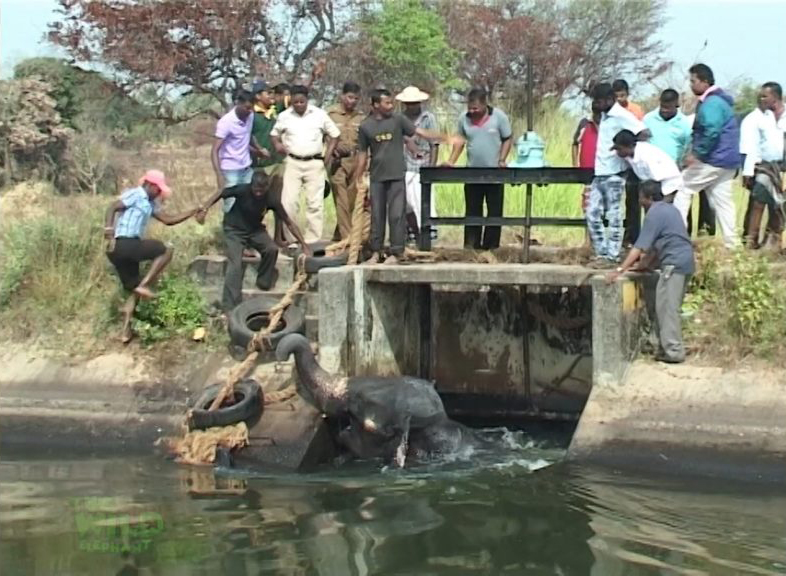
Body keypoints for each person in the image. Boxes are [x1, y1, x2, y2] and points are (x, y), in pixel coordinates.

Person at [356, 88, 456, 264]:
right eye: (386, 103)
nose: (391, 106)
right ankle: (376, 251)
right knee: (377, 216)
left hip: (396, 175)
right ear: (376, 105)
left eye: (391, 102)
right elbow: (363, 154)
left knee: (397, 215)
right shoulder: (365, 126)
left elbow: (417, 134)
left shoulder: (398, 120)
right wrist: (358, 177)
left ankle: (397, 252)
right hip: (377, 176)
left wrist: (445, 137)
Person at [195, 171, 311, 312]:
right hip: (234, 229)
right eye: (256, 189)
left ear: (267, 187)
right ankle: (230, 305)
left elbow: (289, 222)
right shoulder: (242, 190)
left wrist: (304, 244)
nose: (258, 193)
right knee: (235, 264)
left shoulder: (271, 199)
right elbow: (222, 192)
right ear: (251, 185)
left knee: (271, 249)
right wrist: (204, 208)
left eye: (261, 190)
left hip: (255, 230)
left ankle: (263, 282)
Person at [606, 180, 695, 364]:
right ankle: (662, 347)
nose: (639, 201)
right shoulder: (671, 210)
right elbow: (656, 248)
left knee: (667, 309)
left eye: (640, 197)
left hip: (674, 265)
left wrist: (619, 270)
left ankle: (673, 352)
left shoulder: (654, 214)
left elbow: (639, 247)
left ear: (647, 198)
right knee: (666, 306)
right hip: (685, 262)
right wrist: (643, 266)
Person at [104, 170, 198, 343]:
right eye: (158, 190)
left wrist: (192, 212)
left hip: (126, 250)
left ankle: (126, 331)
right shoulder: (136, 194)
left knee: (134, 289)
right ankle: (145, 286)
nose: (159, 194)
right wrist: (109, 234)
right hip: (123, 243)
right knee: (166, 250)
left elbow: (168, 220)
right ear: (150, 185)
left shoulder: (150, 203)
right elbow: (113, 207)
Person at [673, 64, 741, 249]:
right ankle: (732, 245)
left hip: (714, 159)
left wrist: (696, 154)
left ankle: (677, 239)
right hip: (728, 160)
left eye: (693, 81)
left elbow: (711, 131)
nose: (691, 85)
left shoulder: (712, 103)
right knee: (723, 201)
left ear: (704, 81)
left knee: (682, 188)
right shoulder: (720, 101)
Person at [585, 82, 648, 268]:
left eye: (600, 100)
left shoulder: (621, 115)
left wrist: (627, 150)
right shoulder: (604, 115)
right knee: (592, 213)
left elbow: (643, 132)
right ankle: (601, 253)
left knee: (614, 216)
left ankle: (612, 255)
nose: (597, 103)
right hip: (600, 172)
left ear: (610, 99)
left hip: (615, 173)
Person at [444, 87, 512, 250]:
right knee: (473, 210)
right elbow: (460, 141)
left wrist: (502, 159)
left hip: (494, 172)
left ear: (484, 105)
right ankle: (471, 246)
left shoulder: (499, 117)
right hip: (472, 172)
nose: (472, 111)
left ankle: (491, 247)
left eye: (476, 108)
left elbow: (507, 138)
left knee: (494, 211)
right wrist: (451, 161)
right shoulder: (464, 119)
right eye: (470, 108)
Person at [271, 84, 340, 244]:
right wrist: (277, 145)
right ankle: (292, 240)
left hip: (315, 162)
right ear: (291, 101)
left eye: (302, 102)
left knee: (315, 203)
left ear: (307, 100)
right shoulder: (285, 116)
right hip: (293, 162)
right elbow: (274, 135)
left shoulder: (319, 114)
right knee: (289, 203)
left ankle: (312, 240)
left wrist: (327, 156)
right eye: (295, 102)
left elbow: (335, 135)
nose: (299, 105)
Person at [739, 81, 786, 249]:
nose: (762, 98)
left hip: (783, 168)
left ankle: (772, 242)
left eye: (765, 95)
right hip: (765, 167)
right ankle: (750, 241)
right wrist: (748, 171)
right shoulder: (758, 118)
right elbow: (752, 146)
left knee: (778, 205)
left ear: (776, 97)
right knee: (758, 201)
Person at [396, 85, 439, 244]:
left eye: (415, 103)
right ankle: (412, 236)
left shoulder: (428, 118)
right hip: (405, 166)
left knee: (423, 202)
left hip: (422, 166)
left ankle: (428, 236)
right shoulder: (400, 118)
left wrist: (432, 168)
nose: (412, 106)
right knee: (406, 204)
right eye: (409, 103)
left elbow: (434, 144)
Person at [327, 81, 365, 241]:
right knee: (341, 198)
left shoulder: (361, 117)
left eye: (356, 98)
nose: (352, 101)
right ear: (342, 96)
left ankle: (337, 236)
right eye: (349, 97)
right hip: (337, 161)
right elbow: (323, 136)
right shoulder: (330, 115)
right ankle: (347, 239)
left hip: (356, 160)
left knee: (351, 200)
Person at [212, 90, 259, 215]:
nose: (250, 111)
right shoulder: (226, 122)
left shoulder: (250, 116)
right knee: (231, 204)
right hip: (230, 170)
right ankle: (229, 232)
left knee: (248, 203)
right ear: (238, 103)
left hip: (246, 168)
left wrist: (258, 151)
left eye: (252, 108)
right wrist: (219, 174)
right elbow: (214, 150)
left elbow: (246, 140)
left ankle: (245, 231)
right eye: (247, 108)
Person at [612, 130, 684, 198]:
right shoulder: (628, 153)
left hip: (670, 185)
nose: (617, 152)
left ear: (630, 146)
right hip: (654, 185)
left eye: (619, 149)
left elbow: (655, 181)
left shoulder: (646, 156)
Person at [572, 97, 602, 245]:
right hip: (587, 173)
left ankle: (599, 243)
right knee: (588, 206)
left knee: (603, 208)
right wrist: (575, 165)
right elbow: (575, 143)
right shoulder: (585, 124)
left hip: (603, 171)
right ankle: (587, 242)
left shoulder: (609, 125)